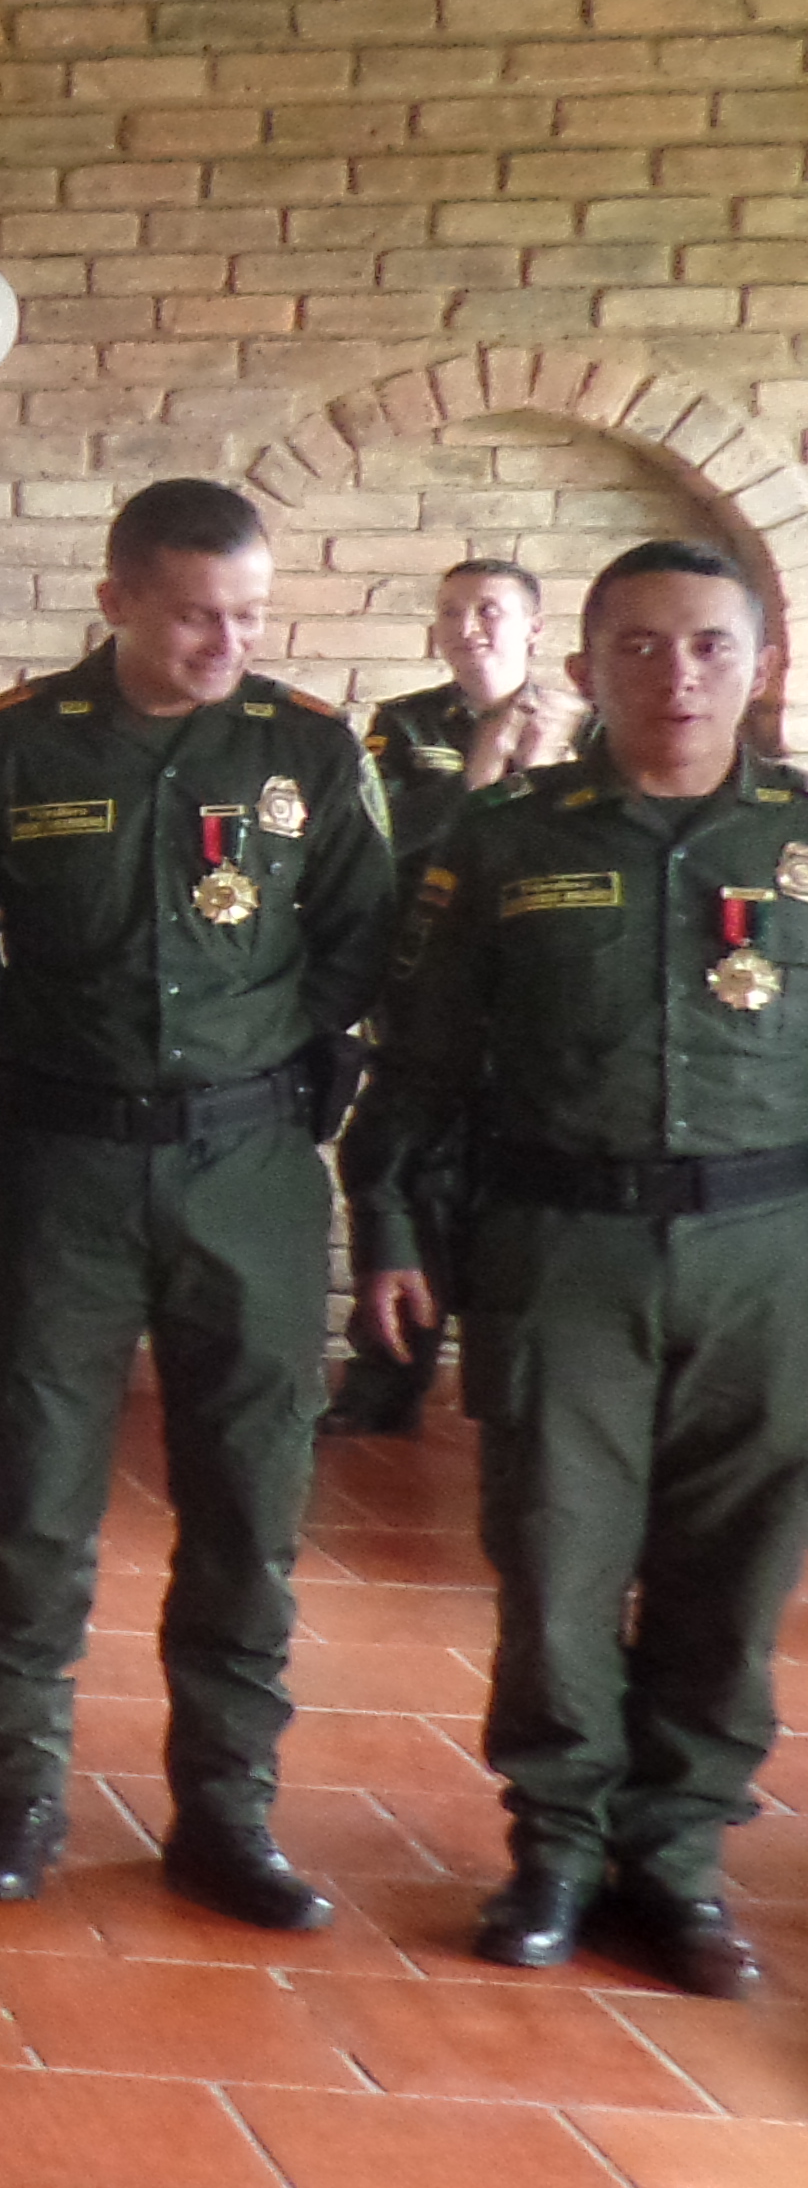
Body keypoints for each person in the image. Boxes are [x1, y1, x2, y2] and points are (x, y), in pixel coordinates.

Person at [342, 541, 805, 2000]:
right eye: (643, 648)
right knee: (554, 1559)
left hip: (770, 1256)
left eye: (709, 647)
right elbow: (419, 1063)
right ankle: (552, 1846)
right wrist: (394, 1233)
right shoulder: (509, 838)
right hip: (561, 1248)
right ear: (589, 666)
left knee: (730, 1575)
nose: (678, 675)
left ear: (759, 663)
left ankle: (673, 1861)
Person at [0, 477, 388, 1929]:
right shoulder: (7, 745)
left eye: (247, 614)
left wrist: (283, 1066)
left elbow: (362, 943)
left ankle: (227, 1814)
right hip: (60, 1161)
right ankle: (22, 1798)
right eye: (195, 613)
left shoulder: (306, 745)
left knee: (250, 1503)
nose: (224, 642)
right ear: (118, 597)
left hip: (247, 1170)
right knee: (39, 1506)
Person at [331, 557, 571, 1438]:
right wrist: (481, 774)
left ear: (535, 629)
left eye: (492, 611)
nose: (470, 627)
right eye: (452, 612)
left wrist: (538, 772)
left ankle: (517, 1394)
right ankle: (385, 1381)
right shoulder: (403, 727)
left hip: (538, 1019)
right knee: (405, 1187)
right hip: (426, 994)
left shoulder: (588, 731)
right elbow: (384, 851)